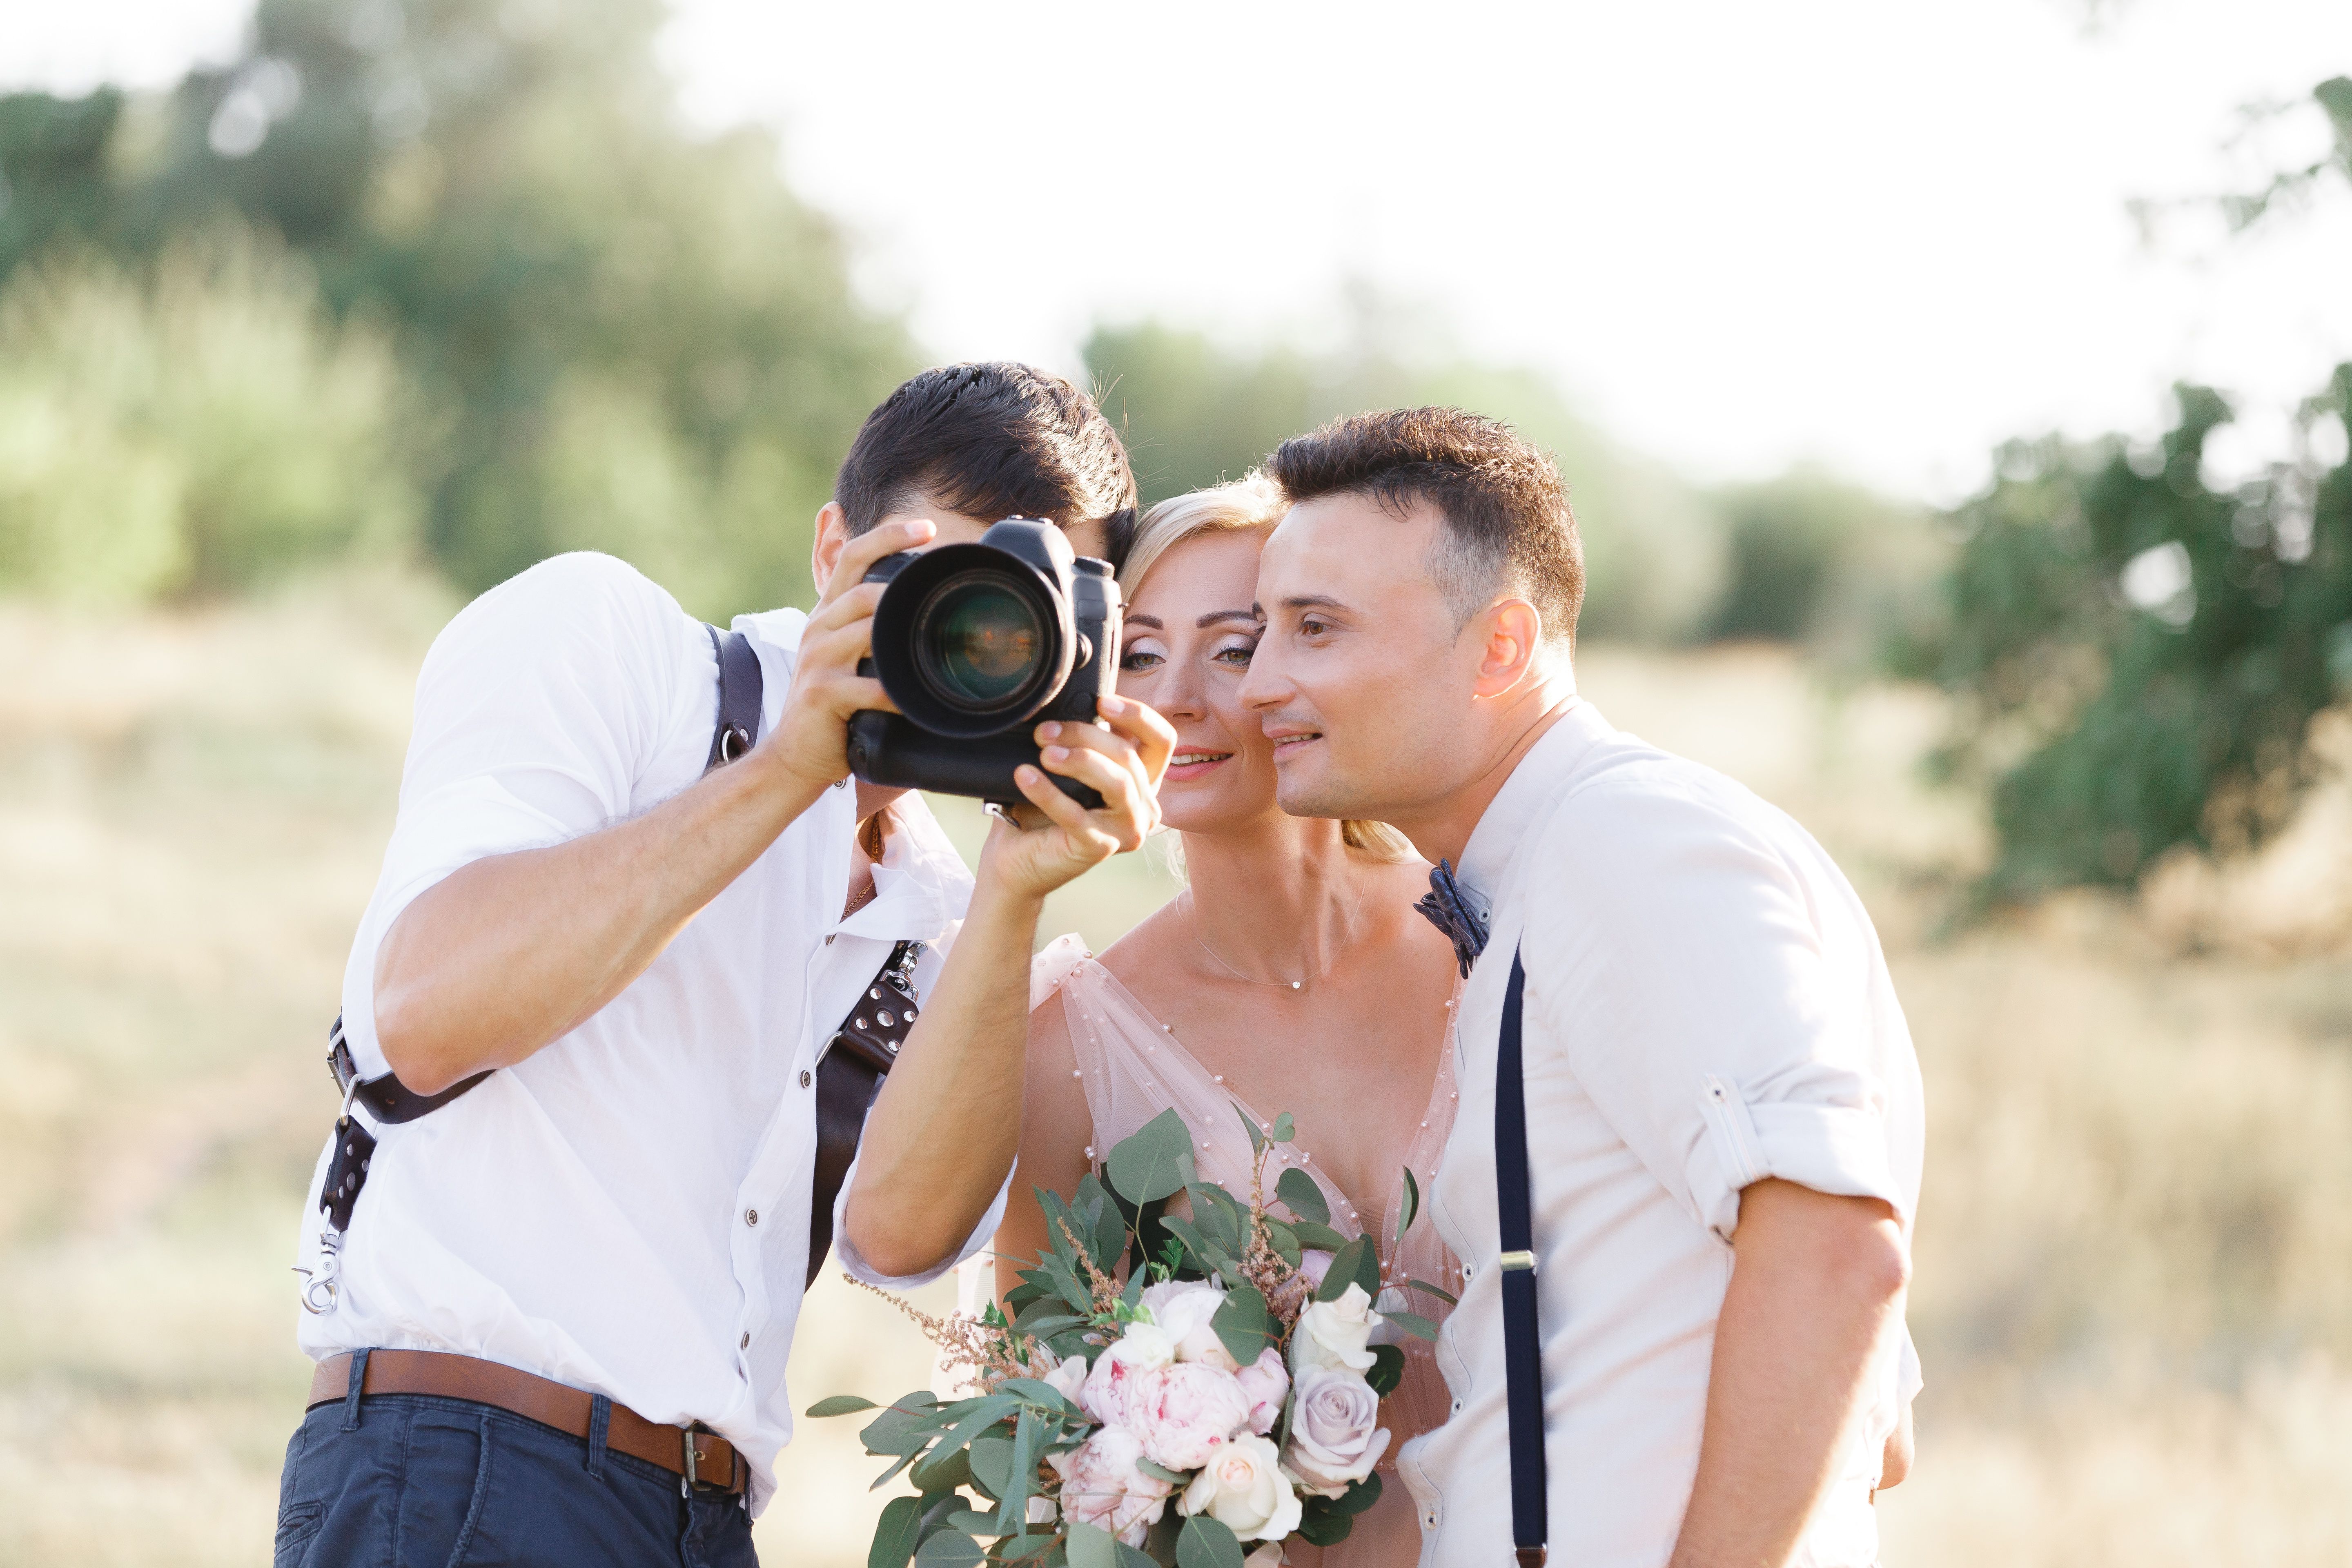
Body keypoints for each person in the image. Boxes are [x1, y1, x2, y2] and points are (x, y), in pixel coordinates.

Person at [272, 362, 1173, 1568]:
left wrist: (1018, 888)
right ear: (832, 551)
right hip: (464, 1468)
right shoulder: (615, 646)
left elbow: (899, 1243)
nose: (969, 641)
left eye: (1017, 619)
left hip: (704, 1518)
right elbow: (422, 1014)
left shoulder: (946, 916)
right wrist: (790, 769)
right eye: (941, 585)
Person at [1239, 408, 1923, 1568]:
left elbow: (1835, 1255)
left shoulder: (1629, 843)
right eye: (1264, 631)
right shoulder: (1559, 864)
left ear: (1501, 646)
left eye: (1316, 628)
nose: (1262, 682)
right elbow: (1884, 1428)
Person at [992, 475, 1466, 1566]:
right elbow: (1041, 1431)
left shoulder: (1486, 938)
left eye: (1235, 647)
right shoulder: (1072, 1048)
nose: (1177, 699)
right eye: (1140, 655)